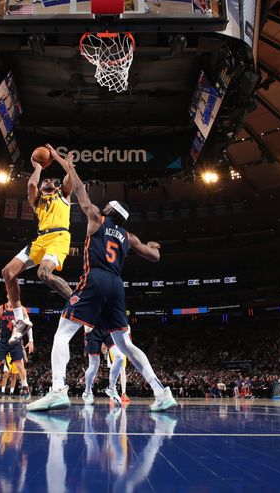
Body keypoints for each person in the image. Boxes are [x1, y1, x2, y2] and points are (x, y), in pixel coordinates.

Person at [27, 147, 177, 412]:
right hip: (117, 287)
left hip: (95, 279)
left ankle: (58, 389)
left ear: (110, 210)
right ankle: (160, 391)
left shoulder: (96, 217)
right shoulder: (129, 237)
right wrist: (155, 246)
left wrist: (65, 162)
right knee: (125, 344)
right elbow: (154, 257)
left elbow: (79, 186)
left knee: (62, 333)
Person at [2, 153, 74, 344]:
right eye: (45, 180)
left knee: (43, 273)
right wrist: (39, 168)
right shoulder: (37, 202)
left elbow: (70, 176)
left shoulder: (64, 195)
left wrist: (60, 159)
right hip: (40, 240)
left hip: (59, 237)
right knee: (8, 272)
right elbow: (31, 186)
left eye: (50, 180)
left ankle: (77, 302)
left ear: (56, 186)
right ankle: (21, 319)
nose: (46, 181)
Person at [0, 302, 33, 405]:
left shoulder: (21, 309)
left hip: (15, 340)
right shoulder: (1, 308)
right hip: (3, 340)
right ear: (8, 295)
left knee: (20, 366)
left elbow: (28, 324)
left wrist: (31, 340)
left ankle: (25, 386)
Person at [81, 325, 126, 404]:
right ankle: (87, 391)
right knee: (94, 365)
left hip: (107, 329)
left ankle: (111, 388)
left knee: (120, 357)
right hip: (92, 331)